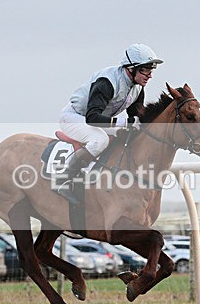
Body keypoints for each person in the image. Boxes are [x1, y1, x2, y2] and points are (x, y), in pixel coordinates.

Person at [57, 43, 163, 204]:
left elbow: (135, 119)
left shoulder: (137, 88)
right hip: (74, 117)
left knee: (127, 135)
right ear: (131, 68)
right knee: (101, 140)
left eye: (151, 70)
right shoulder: (107, 83)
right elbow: (92, 118)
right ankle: (64, 179)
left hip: (96, 120)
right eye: (145, 70)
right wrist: (124, 122)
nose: (150, 75)